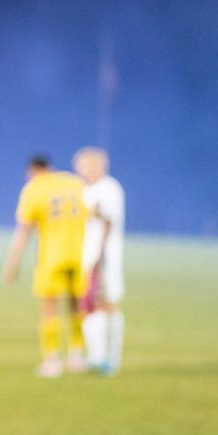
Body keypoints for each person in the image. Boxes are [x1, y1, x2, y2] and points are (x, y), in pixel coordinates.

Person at [2, 155, 89, 378]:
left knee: (49, 307)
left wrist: (13, 262)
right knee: (77, 304)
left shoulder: (35, 188)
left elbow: (24, 229)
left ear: (32, 171)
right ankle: (77, 354)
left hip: (52, 256)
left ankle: (52, 359)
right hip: (81, 253)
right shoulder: (75, 182)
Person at [74, 147, 127, 376]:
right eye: (82, 165)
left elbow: (108, 221)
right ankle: (96, 357)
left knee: (106, 304)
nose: (85, 170)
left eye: (89, 165)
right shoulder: (87, 189)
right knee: (90, 307)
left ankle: (110, 359)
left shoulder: (109, 188)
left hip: (104, 257)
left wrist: (99, 257)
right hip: (88, 256)